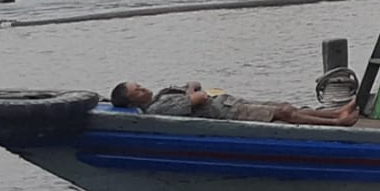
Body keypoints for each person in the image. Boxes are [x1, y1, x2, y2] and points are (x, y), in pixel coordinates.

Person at [110, 81, 359, 126]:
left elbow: (194, 84)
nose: (143, 88)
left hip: (228, 102)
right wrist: (190, 91)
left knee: (285, 107)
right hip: (227, 112)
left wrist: (190, 90)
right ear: (133, 100)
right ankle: (338, 120)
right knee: (283, 113)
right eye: (138, 90)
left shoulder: (161, 95)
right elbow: (200, 95)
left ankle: (337, 111)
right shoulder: (158, 107)